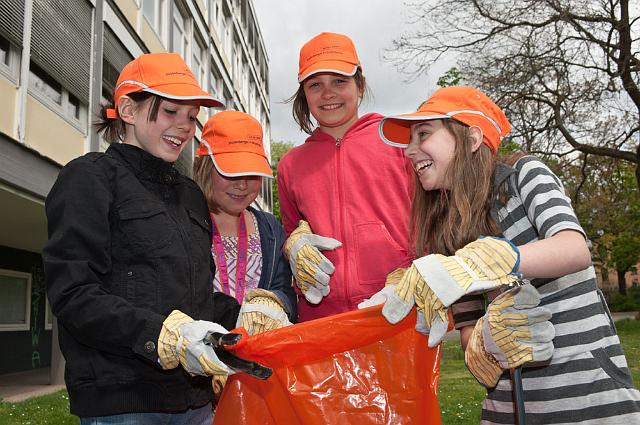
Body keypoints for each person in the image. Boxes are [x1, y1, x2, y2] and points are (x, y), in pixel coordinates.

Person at [369, 85, 640, 423]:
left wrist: (498, 259)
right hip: (507, 411)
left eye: (422, 134)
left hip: (588, 397)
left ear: (471, 139)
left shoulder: (525, 176)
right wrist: (487, 341)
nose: (410, 151)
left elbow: (573, 247)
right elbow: (468, 332)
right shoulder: (447, 231)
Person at [43, 53, 239, 425]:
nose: (184, 127)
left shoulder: (191, 195)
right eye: (170, 111)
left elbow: (197, 297)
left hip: (194, 401)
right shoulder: (88, 178)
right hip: (124, 403)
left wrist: (250, 315)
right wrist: (159, 334)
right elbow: (73, 294)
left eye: (192, 116)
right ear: (129, 110)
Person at [278, 32, 414, 322]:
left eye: (339, 81)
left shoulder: (399, 142)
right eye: (316, 85)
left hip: (396, 307)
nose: (328, 94)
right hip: (321, 318)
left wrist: (414, 276)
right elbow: (290, 234)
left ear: (360, 85)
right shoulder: (290, 165)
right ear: (304, 94)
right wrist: (293, 247)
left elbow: (430, 219)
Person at [192, 110, 297, 333]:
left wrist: (274, 302)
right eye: (231, 172)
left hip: (259, 357)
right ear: (205, 167)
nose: (242, 185)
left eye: (252, 173)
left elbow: (285, 290)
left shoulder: (269, 228)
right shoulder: (183, 220)